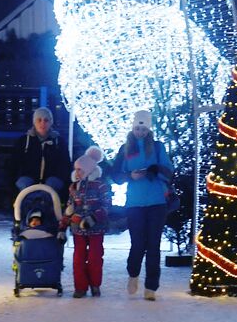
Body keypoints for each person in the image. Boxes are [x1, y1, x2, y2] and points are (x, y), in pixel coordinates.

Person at [111, 110, 172, 301]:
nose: (140, 132)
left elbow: (169, 171)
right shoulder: (125, 148)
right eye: (137, 128)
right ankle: (133, 274)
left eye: (143, 128)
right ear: (132, 128)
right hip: (135, 203)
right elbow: (115, 175)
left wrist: (155, 170)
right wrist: (130, 176)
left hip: (156, 202)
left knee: (153, 245)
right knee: (138, 244)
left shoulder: (157, 147)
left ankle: (151, 287)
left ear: (148, 128)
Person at [62, 146, 109, 298]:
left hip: (95, 228)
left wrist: (94, 218)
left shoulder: (100, 185)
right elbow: (70, 205)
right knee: (78, 258)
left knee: (95, 257)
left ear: (89, 170)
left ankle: (95, 285)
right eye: (76, 169)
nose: (77, 173)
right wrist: (66, 221)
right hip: (78, 228)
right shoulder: (74, 187)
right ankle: (80, 287)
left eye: (80, 169)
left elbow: (106, 205)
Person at [12, 107, 72, 194]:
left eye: (46, 120)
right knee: (24, 183)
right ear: (34, 122)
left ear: (51, 122)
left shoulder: (59, 142)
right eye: (39, 120)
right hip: (28, 179)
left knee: (52, 184)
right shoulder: (23, 141)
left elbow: (65, 164)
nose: (42, 123)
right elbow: (14, 163)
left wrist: (59, 177)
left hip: (52, 180)